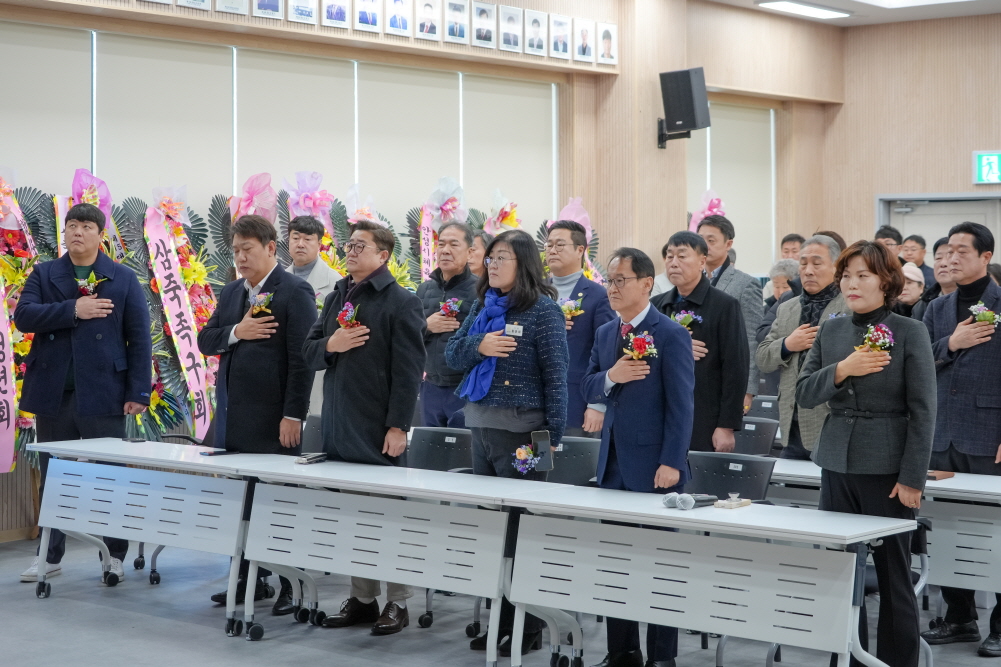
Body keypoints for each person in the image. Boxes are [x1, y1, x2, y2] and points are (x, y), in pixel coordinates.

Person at [797, 240, 935, 667]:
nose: (851, 283)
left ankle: (897, 661)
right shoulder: (832, 329)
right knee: (842, 575)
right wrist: (842, 370)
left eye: (863, 275)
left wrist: (912, 478)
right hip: (836, 461)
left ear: (886, 281)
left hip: (888, 468)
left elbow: (923, 410)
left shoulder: (910, 331)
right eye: (847, 275)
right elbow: (804, 393)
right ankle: (850, 659)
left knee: (894, 578)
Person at [445, 228, 568, 657]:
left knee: (524, 533)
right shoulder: (483, 305)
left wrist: (553, 437)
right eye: (491, 257)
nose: (492, 264)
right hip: (480, 426)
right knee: (494, 532)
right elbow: (453, 355)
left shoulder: (543, 311)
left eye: (502, 258)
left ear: (524, 264)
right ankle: (500, 619)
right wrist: (481, 343)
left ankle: (527, 625)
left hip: (523, 434)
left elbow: (557, 377)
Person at [17, 203, 151, 585]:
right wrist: (73, 308)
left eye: (86, 226)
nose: (76, 232)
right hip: (54, 394)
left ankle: (115, 556)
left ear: (100, 234)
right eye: (71, 225)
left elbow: (138, 338)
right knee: (53, 476)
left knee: (111, 477)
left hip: (105, 393)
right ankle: (49, 555)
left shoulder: (122, 278)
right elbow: (24, 316)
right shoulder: (44, 274)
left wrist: (139, 390)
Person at [302, 219, 425, 635]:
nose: (351, 251)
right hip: (340, 424)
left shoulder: (401, 302)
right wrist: (330, 346)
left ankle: (398, 601)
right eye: (349, 244)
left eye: (360, 245)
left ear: (383, 255)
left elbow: (409, 373)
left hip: (378, 429)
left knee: (390, 517)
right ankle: (363, 598)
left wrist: (398, 426)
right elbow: (309, 351)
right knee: (353, 516)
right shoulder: (338, 294)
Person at [581, 247, 694, 667]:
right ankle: (622, 651)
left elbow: (682, 407)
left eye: (620, 280)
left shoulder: (670, 334)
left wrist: (672, 462)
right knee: (617, 562)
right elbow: (587, 385)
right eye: (608, 280)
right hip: (611, 465)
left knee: (659, 566)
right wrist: (612, 376)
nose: (611, 288)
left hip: (655, 468)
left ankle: (662, 657)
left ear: (647, 283)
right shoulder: (606, 332)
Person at [198, 214, 315, 608]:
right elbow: (206, 339)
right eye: (235, 251)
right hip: (234, 416)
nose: (240, 257)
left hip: (274, 420)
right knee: (242, 504)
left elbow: (302, 361)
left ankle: (290, 585)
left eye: (247, 249)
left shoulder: (294, 291)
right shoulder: (232, 292)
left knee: (277, 505)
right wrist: (237, 332)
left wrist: (293, 415)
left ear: (269, 248)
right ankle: (252, 578)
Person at [920, 222, 1001, 657]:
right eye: (946, 251)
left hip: (990, 434)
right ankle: (959, 617)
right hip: (942, 432)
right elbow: (919, 361)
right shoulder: (938, 307)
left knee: (996, 531)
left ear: (985, 257)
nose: (950, 258)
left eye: (961, 251)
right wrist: (952, 341)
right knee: (950, 527)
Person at [652, 231, 747, 454]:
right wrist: (675, 349)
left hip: (705, 414)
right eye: (669, 256)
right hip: (660, 412)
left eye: (682, 256)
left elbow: (736, 368)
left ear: (702, 261)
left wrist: (726, 426)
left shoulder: (724, 306)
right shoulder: (657, 306)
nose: (673, 263)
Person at [757, 235, 849, 460]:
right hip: (792, 422)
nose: (808, 270)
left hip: (833, 421)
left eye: (817, 263)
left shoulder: (850, 306)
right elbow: (762, 358)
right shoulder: (787, 307)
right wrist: (788, 344)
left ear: (836, 267)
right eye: (803, 263)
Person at [545, 220, 614, 436]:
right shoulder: (534, 293)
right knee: (537, 466)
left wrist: (597, 404)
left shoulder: (598, 296)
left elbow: (607, 353)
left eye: (559, 245)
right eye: (548, 245)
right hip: (532, 405)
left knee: (571, 466)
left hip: (575, 402)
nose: (552, 250)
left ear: (580, 250)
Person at [697, 215, 762, 414]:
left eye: (711, 240)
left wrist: (748, 389)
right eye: (701, 240)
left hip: (726, 375)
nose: (705, 246)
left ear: (728, 244)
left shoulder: (746, 284)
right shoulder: (689, 281)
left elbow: (752, 338)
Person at [416, 222, 478, 427]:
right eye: (441, 244)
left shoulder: (482, 291)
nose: (445, 250)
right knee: (431, 451)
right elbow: (405, 336)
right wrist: (426, 326)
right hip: (430, 386)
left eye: (453, 244)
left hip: (464, 388)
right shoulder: (424, 290)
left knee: (463, 453)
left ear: (469, 252)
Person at [286, 215, 343, 416]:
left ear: (319, 243)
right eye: (295, 238)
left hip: (318, 366)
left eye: (308, 239)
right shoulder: (278, 280)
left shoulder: (336, 283)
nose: (300, 244)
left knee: (314, 424)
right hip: (285, 362)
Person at [911, 237, 955, 322]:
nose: (943, 264)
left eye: (950, 257)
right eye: (938, 258)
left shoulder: (976, 302)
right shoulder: (922, 305)